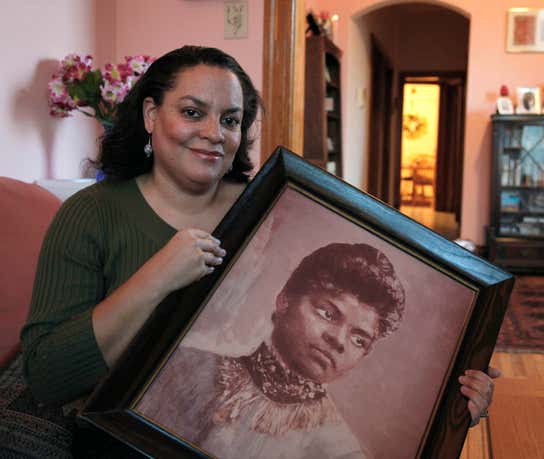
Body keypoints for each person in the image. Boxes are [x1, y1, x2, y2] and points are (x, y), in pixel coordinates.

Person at [18, 45, 497, 455]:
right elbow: (47, 376)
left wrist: (449, 406)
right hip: (125, 439)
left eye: (230, 119)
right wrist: (158, 276)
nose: (214, 132)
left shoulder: (272, 211)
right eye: (192, 112)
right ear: (149, 115)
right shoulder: (91, 213)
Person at [137, 242, 406, 458]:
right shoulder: (183, 367)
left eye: (359, 340)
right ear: (285, 300)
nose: (338, 340)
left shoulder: (339, 448)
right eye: (327, 313)